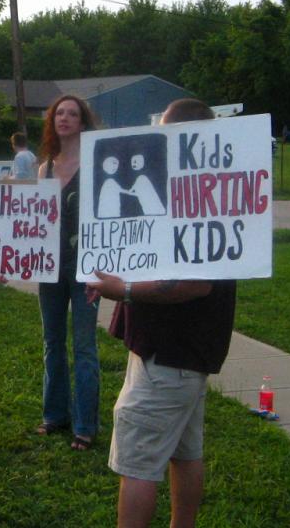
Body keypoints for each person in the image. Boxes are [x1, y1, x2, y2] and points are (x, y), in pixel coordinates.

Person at [85, 98, 237, 528]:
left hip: (169, 354)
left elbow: (195, 284)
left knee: (137, 464)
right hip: (180, 353)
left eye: (166, 131)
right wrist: (108, 276)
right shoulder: (205, 189)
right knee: (185, 451)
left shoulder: (201, 199)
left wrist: (125, 289)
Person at [35, 95, 100, 451]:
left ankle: (85, 425)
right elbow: (29, 223)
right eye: (59, 112)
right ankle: (54, 415)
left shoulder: (97, 163)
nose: (64, 118)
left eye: (72, 114)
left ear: (83, 122)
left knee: (85, 347)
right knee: (52, 343)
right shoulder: (44, 167)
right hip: (49, 267)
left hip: (86, 269)